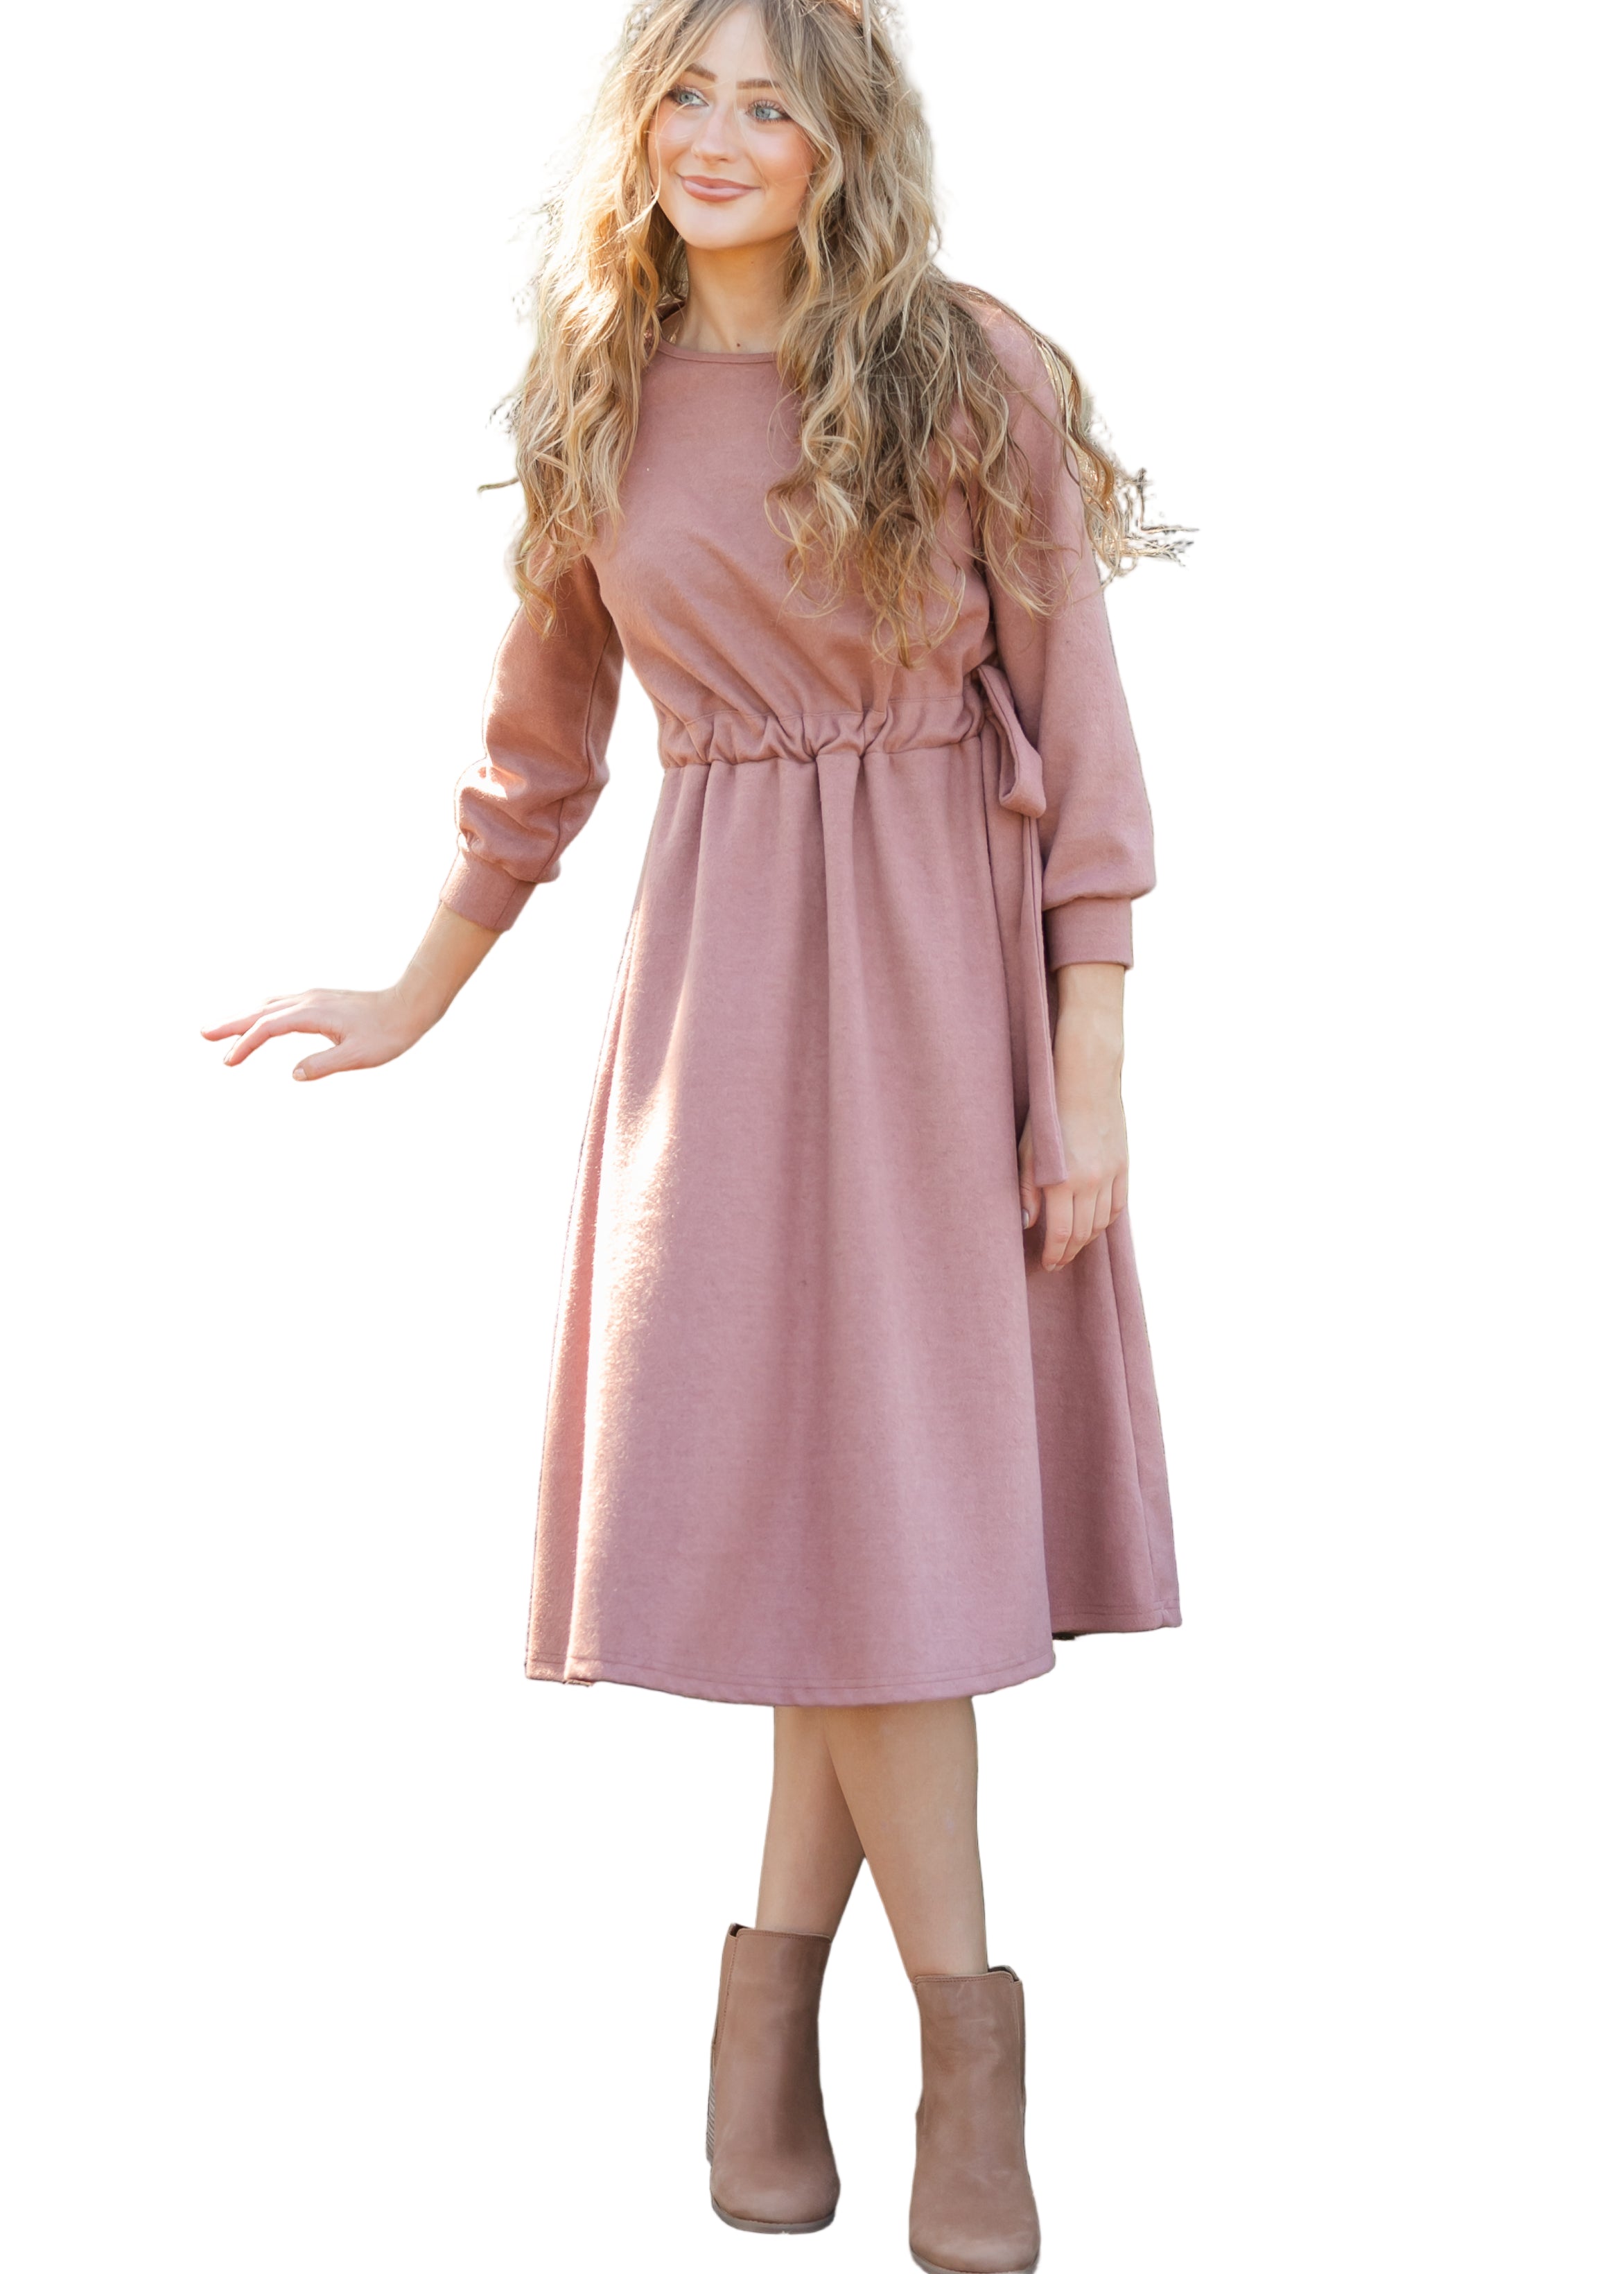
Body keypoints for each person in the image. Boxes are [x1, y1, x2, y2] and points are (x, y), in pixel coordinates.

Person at [204, 3, 1184, 2268]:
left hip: (941, 994)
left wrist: (1095, 1075)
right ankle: (821, 2049)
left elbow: (1089, 745)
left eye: (773, 103)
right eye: (690, 92)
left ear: (847, 146)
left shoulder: (964, 371)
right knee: (828, 1528)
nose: (721, 137)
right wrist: (407, 999)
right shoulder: (598, 396)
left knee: (892, 1537)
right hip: (719, 997)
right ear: (636, 121)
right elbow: (537, 762)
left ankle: (928, 2070)